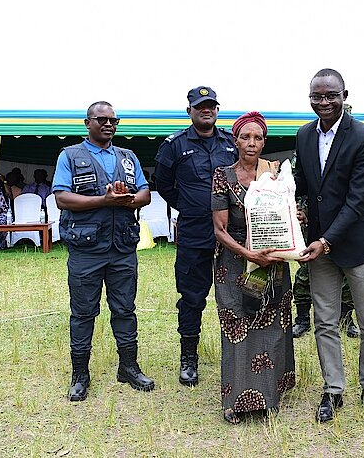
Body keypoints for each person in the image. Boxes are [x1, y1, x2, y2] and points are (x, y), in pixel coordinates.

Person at [294, 68, 364, 422]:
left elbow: (358, 199)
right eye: (317, 96)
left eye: (331, 95)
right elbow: (302, 183)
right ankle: (333, 389)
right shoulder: (304, 135)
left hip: (357, 244)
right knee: (325, 321)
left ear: (344, 96)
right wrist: (291, 206)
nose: (324, 102)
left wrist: (325, 240)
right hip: (319, 246)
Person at [52, 101, 154, 401]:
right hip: (86, 250)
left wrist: (129, 199)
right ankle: (80, 375)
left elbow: (146, 193)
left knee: (125, 310)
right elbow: (62, 198)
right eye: (102, 119)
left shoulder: (127, 157)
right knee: (83, 313)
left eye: (114, 120)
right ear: (88, 123)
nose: (109, 124)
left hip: (122, 247)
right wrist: (104, 201)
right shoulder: (70, 155)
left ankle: (128, 367)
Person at [211, 111, 295, 424]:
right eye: (245, 137)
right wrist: (248, 253)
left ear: (263, 142)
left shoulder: (273, 173)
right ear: (235, 141)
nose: (252, 142)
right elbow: (219, 229)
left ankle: (268, 396)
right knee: (237, 323)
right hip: (235, 263)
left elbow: (287, 209)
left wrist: (294, 218)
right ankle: (235, 400)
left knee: (272, 322)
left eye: (258, 137)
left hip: (271, 258)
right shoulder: (223, 175)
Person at [154, 86, 237, 387]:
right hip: (195, 233)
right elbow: (163, 184)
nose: (206, 110)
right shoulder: (174, 145)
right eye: (200, 106)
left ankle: (239, 355)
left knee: (237, 295)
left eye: (211, 105)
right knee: (192, 297)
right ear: (189, 110)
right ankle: (189, 357)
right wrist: (190, 206)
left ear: (217, 110)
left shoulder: (231, 142)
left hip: (231, 234)